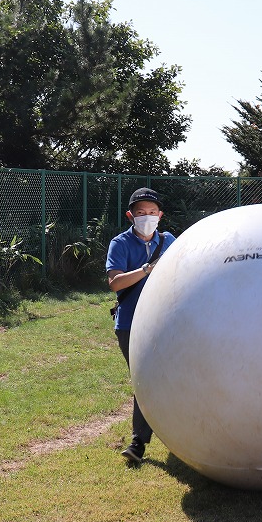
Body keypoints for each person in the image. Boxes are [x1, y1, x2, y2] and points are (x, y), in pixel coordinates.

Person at [106, 187, 175, 466]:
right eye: (140, 213)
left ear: (160, 215)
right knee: (144, 381)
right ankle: (138, 443)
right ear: (130, 215)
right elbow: (115, 283)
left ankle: (181, 431)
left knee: (171, 377)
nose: (147, 217)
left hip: (167, 322)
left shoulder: (170, 240)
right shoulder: (120, 243)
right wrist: (147, 269)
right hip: (130, 324)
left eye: (151, 212)